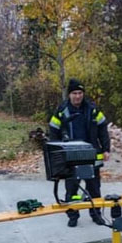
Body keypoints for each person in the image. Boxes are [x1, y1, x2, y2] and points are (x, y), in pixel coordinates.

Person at [48, 79, 110, 227]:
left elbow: (103, 130)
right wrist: (58, 154)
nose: (77, 96)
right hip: (71, 157)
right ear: (69, 94)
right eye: (74, 93)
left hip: (91, 155)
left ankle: (96, 214)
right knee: (72, 189)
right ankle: (73, 215)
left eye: (80, 93)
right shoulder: (61, 111)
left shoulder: (92, 109)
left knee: (94, 188)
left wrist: (106, 149)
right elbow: (53, 132)